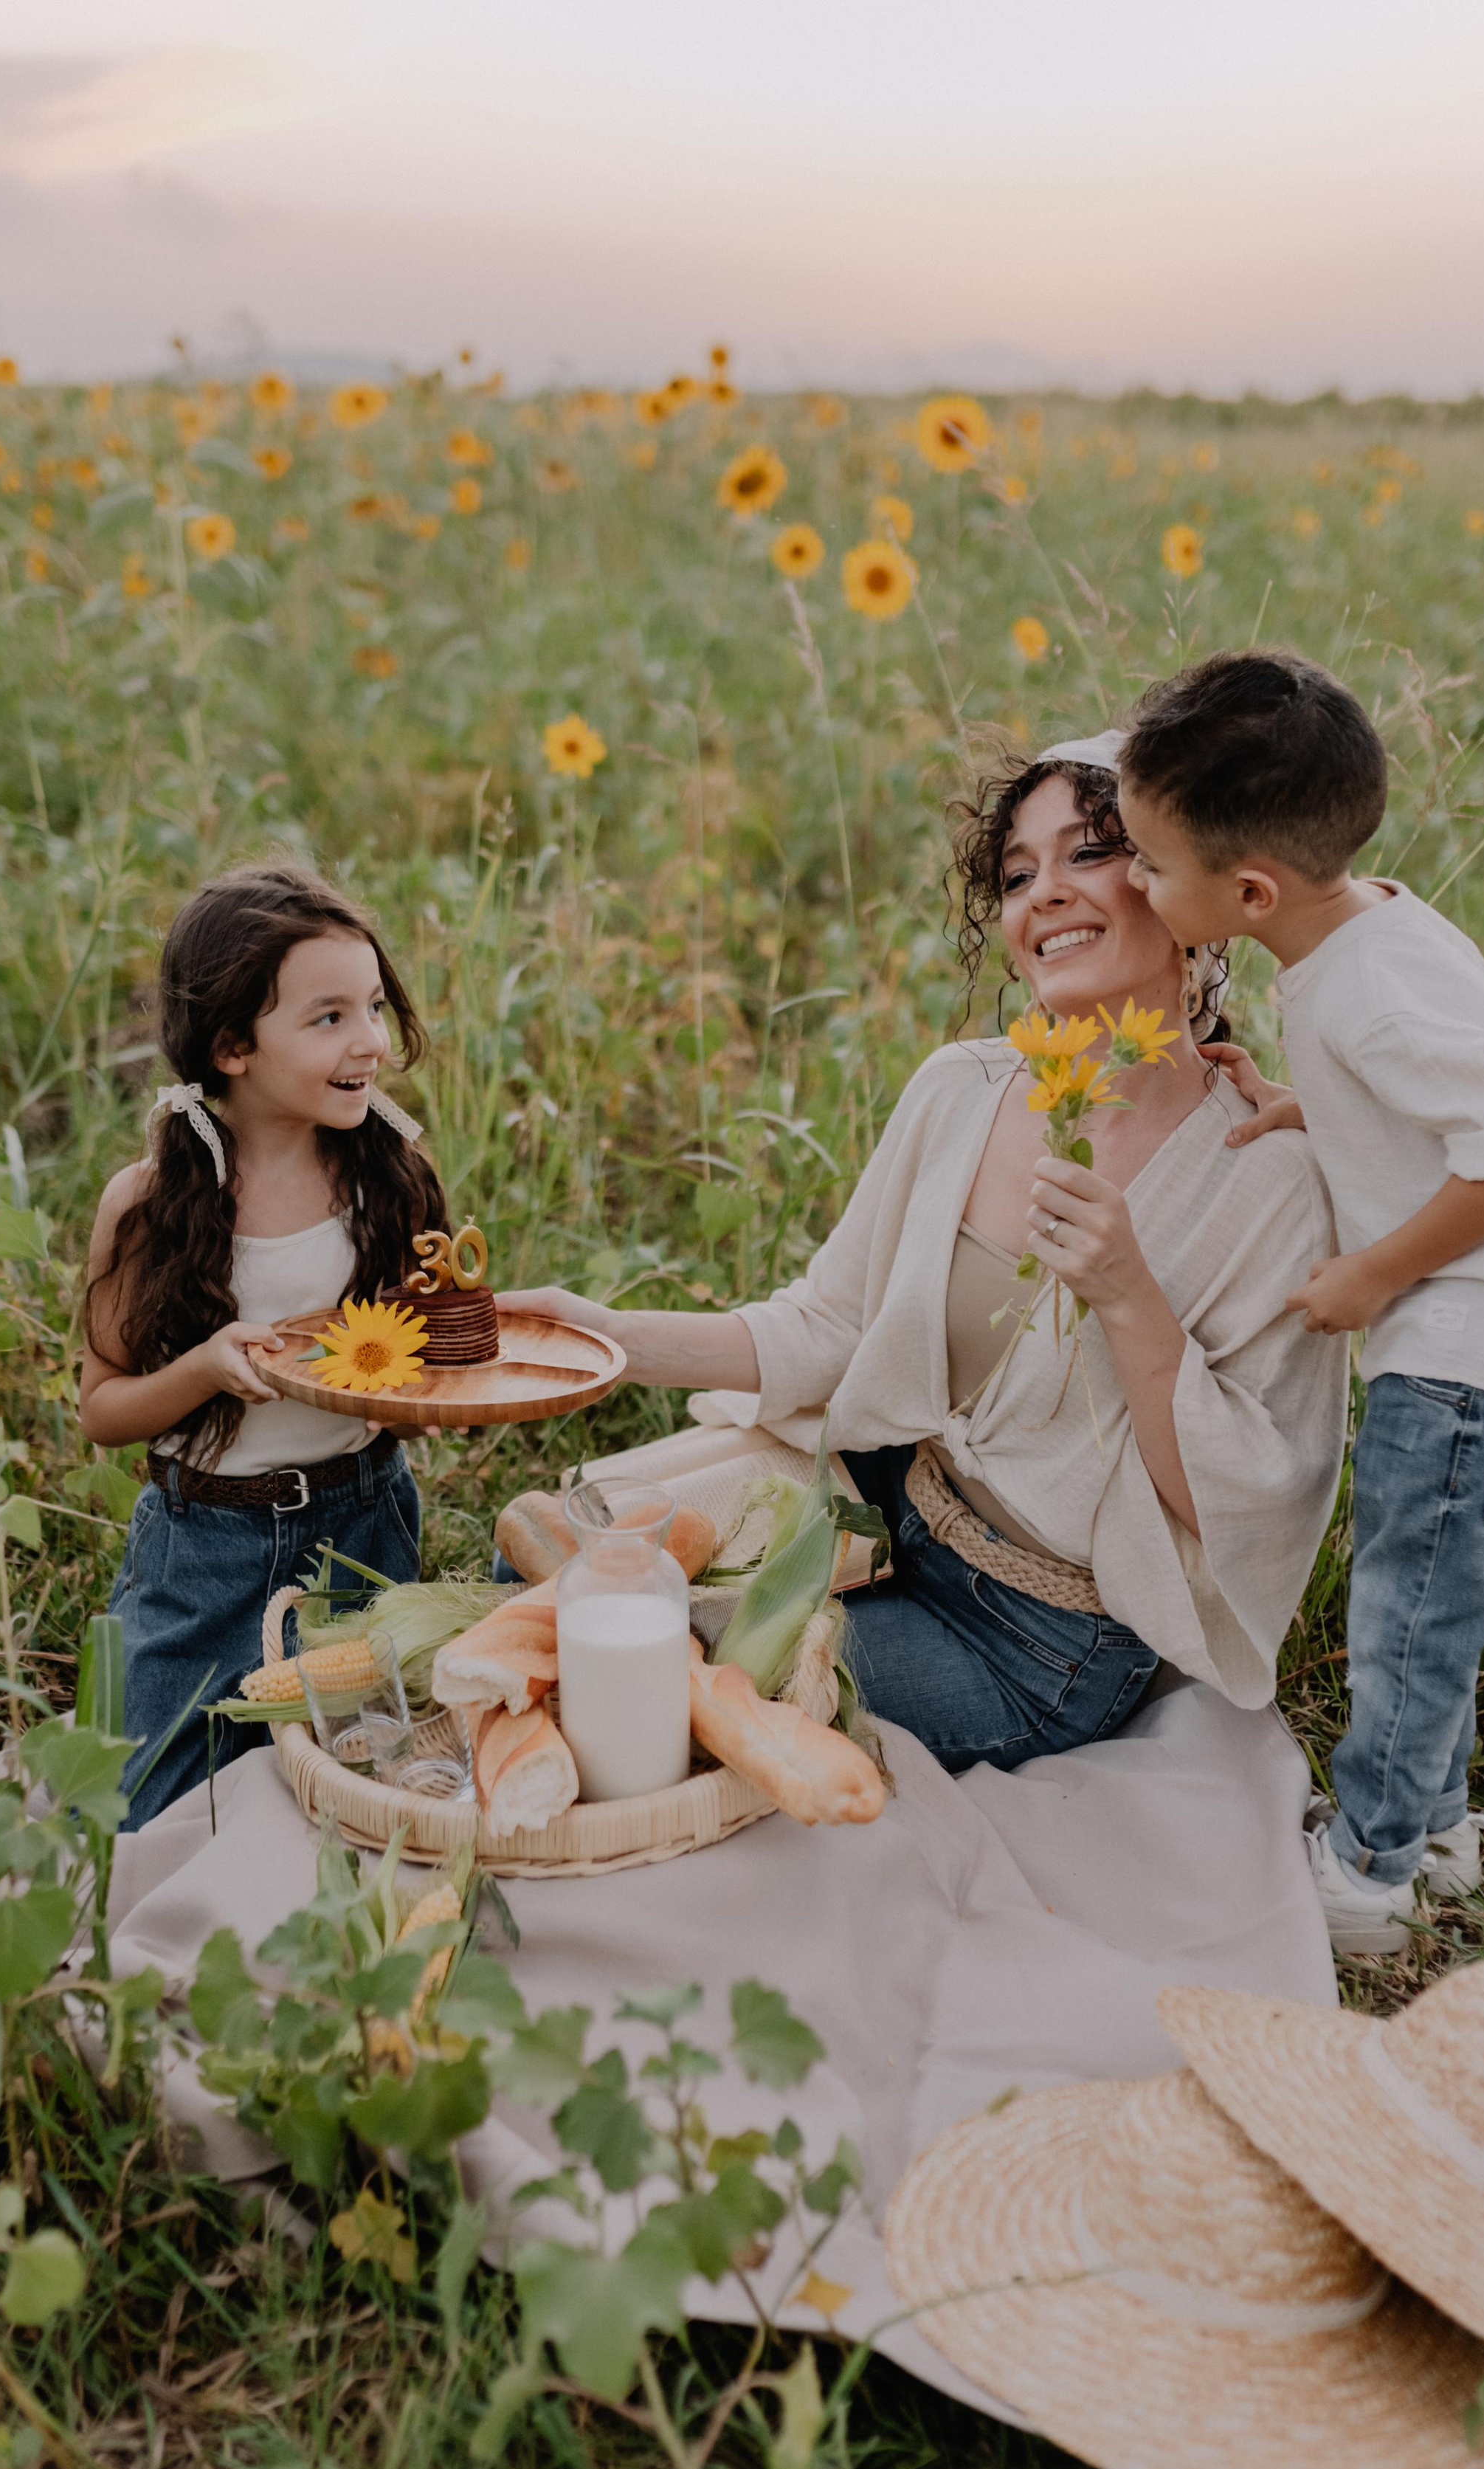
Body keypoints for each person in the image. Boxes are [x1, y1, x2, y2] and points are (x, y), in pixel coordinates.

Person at [503, 734, 1348, 1774]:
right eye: (1017, 874)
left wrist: (1130, 1297)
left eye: (1089, 853)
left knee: (632, 1691)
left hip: (1035, 1640)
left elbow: (1237, 1511)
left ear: (1189, 889)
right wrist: (607, 1340)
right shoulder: (962, 1090)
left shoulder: (1267, 1180)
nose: (1044, 895)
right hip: (877, 1519)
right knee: (554, 1606)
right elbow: (828, 1327)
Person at [1116, 651, 1484, 1954]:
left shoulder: (1369, 985)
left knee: (1409, 1610)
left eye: (1151, 866)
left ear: (1248, 893)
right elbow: (1436, 1094)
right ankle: (1432, 1828)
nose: (1134, 884)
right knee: (1432, 1589)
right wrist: (1311, 1106)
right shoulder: (1368, 930)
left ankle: (1372, 1873)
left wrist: (1372, 1272)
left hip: (1477, 1342)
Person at [80, 861, 445, 1828]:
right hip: (203, 1547)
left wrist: (432, 1382)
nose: (370, 1040)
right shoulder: (150, 1204)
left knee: (366, 1801)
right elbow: (103, 1410)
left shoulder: (392, 1183)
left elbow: (420, 1352)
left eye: (373, 1006)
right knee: (131, 1820)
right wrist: (205, 1370)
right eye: (328, 1018)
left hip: (364, 1532)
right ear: (234, 1044)